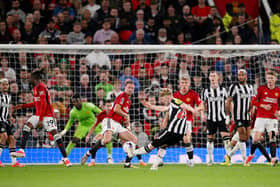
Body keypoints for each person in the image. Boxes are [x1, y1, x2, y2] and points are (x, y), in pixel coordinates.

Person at [14, 70, 71, 167]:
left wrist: (40, 119)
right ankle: (22, 150)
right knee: (27, 126)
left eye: (31, 77)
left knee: (55, 135)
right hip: (39, 114)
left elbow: (44, 104)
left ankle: (66, 159)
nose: (29, 79)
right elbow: (36, 104)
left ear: (35, 79)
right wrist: (23, 106)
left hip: (48, 115)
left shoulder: (42, 88)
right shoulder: (35, 89)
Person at [134, 88, 199, 170]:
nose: (164, 100)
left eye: (164, 98)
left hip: (170, 132)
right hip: (179, 135)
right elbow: (162, 108)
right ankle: (155, 166)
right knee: (163, 145)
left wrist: (193, 110)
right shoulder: (172, 105)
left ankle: (132, 152)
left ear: (168, 97)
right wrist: (150, 106)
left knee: (150, 147)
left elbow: (184, 105)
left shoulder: (175, 101)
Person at [81, 80, 138, 168]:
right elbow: (116, 109)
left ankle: (127, 163)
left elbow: (125, 116)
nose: (130, 89)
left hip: (118, 124)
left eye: (132, 88)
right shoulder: (122, 96)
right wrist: (126, 115)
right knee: (107, 140)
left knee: (134, 139)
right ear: (125, 88)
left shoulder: (128, 100)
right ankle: (88, 153)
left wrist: (128, 126)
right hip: (110, 120)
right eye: (129, 88)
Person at [245, 71, 280, 166]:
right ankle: (251, 155)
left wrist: (278, 112)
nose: (270, 80)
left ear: (275, 79)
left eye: (272, 78)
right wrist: (263, 105)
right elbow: (253, 101)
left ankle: (273, 159)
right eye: (268, 78)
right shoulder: (261, 89)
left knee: (272, 137)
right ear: (266, 79)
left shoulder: (278, 91)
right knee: (255, 139)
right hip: (261, 117)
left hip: (272, 119)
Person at [223, 69, 254, 165]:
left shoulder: (250, 87)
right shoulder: (234, 87)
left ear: (246, 76)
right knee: (242, 134)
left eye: (242, 75)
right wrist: (228, 115)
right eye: (239, 75)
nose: (240, 77)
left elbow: (252, 100)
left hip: (247, 116)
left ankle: (229, 156)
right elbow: (228, 101)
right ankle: (245, 160)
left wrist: (251, 110)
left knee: (245, 138)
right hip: (238, 115)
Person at [201, 70, 231, 165]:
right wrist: (202, 114)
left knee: (226, 139)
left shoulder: (223, 90)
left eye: (214, 76)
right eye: (211, 76)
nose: (213, 78)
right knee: (210, 139)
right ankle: (210, 160)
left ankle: (228, 159)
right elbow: (202, 103)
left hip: (221, 118)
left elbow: (228, 103)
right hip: (210, 118)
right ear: (209, 78)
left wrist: (229, 115)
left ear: (218, 77)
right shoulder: (205, 91)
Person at [60, 94, 102, 158]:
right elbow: (70, 122)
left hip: (94, 124)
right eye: (73, 102)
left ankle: (109, 157)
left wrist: (104, 121)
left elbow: (100, 112)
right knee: (74, 140)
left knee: (106, 137)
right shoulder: (73, 112)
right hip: (83, 126)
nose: (75, 103)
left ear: (80, 100)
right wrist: (65, 130)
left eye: (77, 101)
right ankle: (64, 158)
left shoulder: (89, 105)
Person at [0, 79, 24, 167]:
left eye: (6, 84)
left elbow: (6, 109)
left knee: (12, 139)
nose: (5, 86)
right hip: (0, 120)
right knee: (4, 136)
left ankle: (14, 162)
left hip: (5, 120)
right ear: (0, 86)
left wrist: (10, 116)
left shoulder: (8, 96)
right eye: (3, 84)